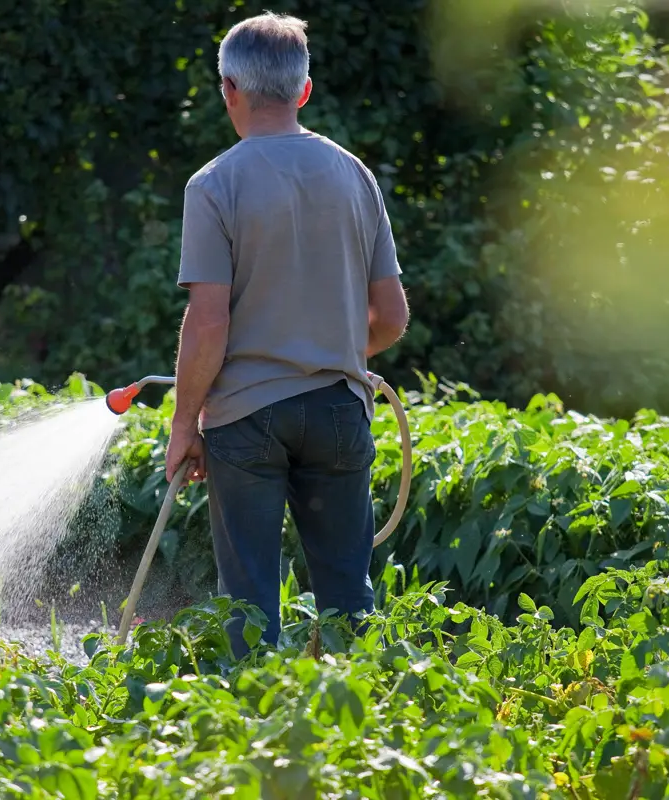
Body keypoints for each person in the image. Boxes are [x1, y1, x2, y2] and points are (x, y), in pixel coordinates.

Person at [164, 11, 410, 657]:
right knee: (349, 597)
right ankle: (368, 730)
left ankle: (251, 730)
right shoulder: (355, 175)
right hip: (339, 409)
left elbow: (208, 321)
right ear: (303, 91)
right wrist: (325, 351)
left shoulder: (214, 183)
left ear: (229, 91)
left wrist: (185, 422)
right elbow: (392, 317)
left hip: (246, 421)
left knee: (248, 602)